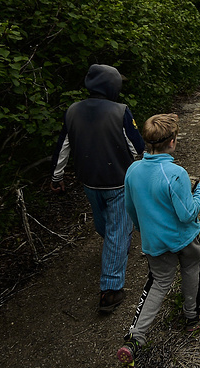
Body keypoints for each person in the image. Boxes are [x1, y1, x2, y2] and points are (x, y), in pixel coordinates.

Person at [116, 113, 200, 368]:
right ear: (172, 142)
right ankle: (191, 316)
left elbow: (131, 209)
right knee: (191, 268)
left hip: (155, 243)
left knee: (159, 284)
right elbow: (187, 214)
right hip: (183, 240)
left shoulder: (133, 171)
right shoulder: (176, 173)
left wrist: (142, 230)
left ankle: (135, 340)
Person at [51, 64, 144, 313]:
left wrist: (56, 177)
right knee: (116, 231)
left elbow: (64, 146)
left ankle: (116, 250)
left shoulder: (72, 111)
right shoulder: (120, 111)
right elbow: (136, 147)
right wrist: (146, 171)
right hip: (118, 181)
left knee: (104, 223)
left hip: (89, 181)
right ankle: (111, 290)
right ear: (111, 86)